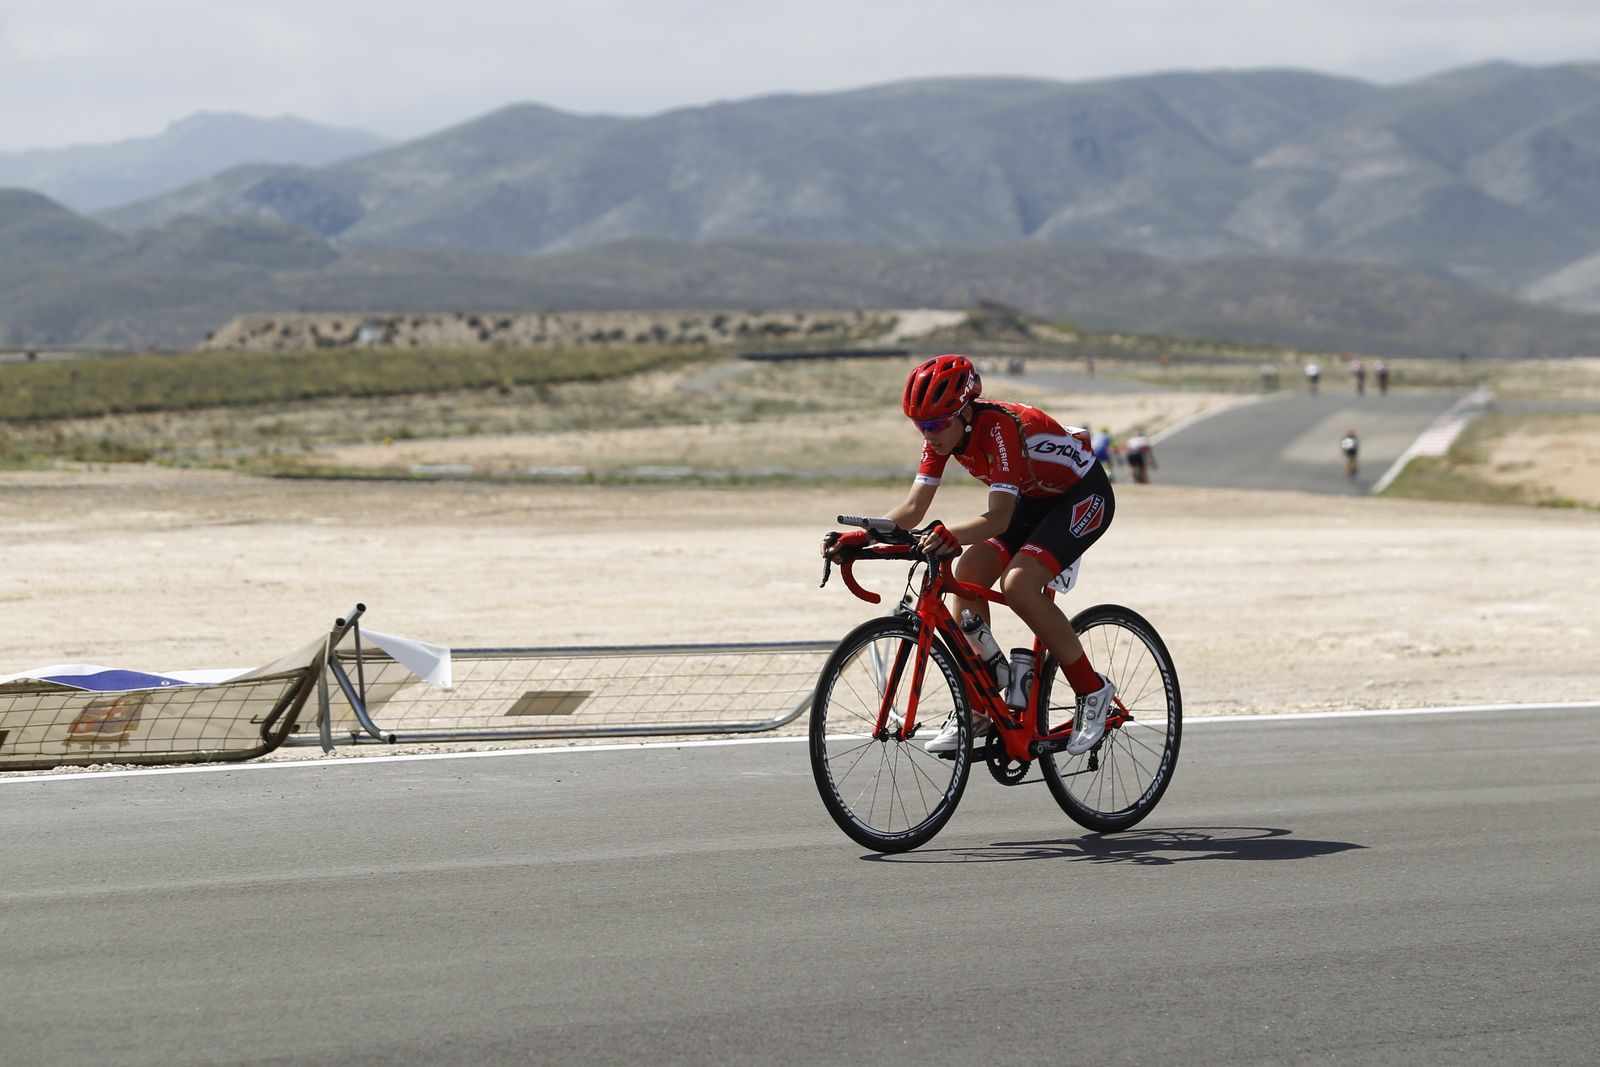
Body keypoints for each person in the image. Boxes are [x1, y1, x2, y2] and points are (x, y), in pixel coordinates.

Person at [823, 354, 1117, 757]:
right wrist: (862, 537)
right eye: (920, 425)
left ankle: (1092, 689)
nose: (929, 434)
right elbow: (912, 511)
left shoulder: (999, 427)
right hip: (1030, 502)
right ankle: (980, 701)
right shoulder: (942, 436)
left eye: (937, 423)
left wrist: (948, 533)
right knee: (969, 571)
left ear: (964, 410)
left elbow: (997, 518)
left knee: (1019, 585)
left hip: (1081, 496)